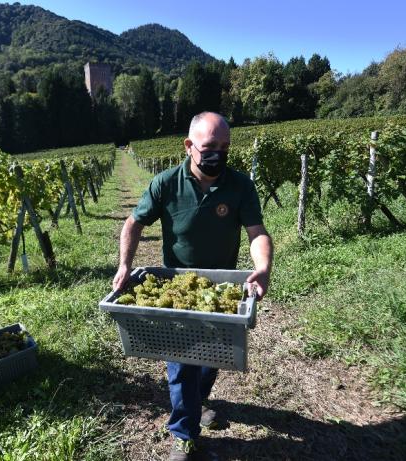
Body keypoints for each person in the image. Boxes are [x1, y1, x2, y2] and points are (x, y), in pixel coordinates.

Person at [112, 111, 273, 461]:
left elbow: (257, 233)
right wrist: (125, 264)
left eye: (225, 146)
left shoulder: (240, 185)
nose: (218, 153)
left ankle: (196, 403)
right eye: (209, 146)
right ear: (188, 146)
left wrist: (262, 267)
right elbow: (133, 224)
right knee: (182, 361)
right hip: (179, 291)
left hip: (220, 291)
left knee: (210, 361)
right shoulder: (166, 183)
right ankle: (183, 435)